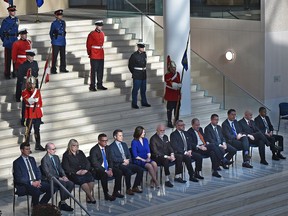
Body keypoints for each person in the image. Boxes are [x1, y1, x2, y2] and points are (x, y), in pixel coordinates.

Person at [13, 142, 52, 207]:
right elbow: (18, 178)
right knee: (36, 191)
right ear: (22, 150)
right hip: (25, 184)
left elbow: (37, 171)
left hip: (36, 182)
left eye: (29, 149)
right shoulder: (17, 162)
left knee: (51, 187)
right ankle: (35, 208)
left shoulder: (32, 159)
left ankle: (41, 204)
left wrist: (39, 180)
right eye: (26, 149)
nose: (29, 151)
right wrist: (31, 183)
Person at [89, 133, 124, 201]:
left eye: (106, 140)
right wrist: (106, 171)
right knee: (104, 174)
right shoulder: (94, 150)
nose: (105, 142)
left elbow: (110, 160)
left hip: (108, 167)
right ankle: (106, 194)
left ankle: (116, 192)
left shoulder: (108, 148)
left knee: (119, 172)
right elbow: (95, 163)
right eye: (103, 141)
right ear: (99, 141)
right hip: (99, 169)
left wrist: (110, 169)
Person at [41, 142, 74, 212]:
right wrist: (59, 178)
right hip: (51, 179)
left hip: (59, 177)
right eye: (53, 149)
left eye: (55, 149)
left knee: (71, 183)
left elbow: (60, 168)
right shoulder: (44, 160)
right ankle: (63, 203)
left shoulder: (56, 157)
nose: (55, 150)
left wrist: (64, 176)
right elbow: (48, 174)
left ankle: (62, 201)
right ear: (48, 150)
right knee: (63, 184)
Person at [110, 129, 144, 195]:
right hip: (119, 164)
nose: (122, 137)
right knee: (128, 172)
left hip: (127, 162)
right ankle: (128, 189)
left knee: (140, 170)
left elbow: (129, 155)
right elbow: (113, 158)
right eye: (120, 136)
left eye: (122, 135)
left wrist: (128, 161)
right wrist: (123, 161)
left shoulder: (124, 144)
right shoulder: (111, 147)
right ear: (115, 137)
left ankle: (135, 186)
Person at [62, 139, 95, 204]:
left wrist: (86, 170)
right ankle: (91, 197)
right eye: (74, 145)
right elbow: (66, 167)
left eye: (77, 146)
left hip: (84, 171)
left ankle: (88, 197)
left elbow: (87, 162)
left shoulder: (80, 152)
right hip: (74, 173)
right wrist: (76, 172)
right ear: (70, 146)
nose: (76, 147)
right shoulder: (66, 155)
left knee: (91, 180)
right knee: (83, 182)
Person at [21, 76, 45, 151]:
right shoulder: (24, 92)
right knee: (28, 130)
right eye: (30, 84)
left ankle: (38, 144)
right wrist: (34, 99)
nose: (32, 86)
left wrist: (40, 109)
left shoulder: (37, 91)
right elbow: (28, 101)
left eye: (33, 84)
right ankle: (27, 146)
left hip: (37, 113)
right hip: (30, 113)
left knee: (37, 130)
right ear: (27, 84)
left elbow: (40, 102)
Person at [17, 50, 39, 127]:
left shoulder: (35, 63)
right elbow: (20, 76)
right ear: (27, 56)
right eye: (31, 56)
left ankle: (36, 118)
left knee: (36, 103)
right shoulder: (23, 65)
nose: (32, 57)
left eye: (33, 56)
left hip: (34, 86)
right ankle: (24, 120)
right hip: (26, 87)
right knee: (25, 105)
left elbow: (36, 74)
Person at [86, 20, 107, 91]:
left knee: (100, 70)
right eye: (99, 26)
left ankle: (99, 84)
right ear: (96, 26)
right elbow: (88, 44)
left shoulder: (102, 33)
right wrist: (90, 53)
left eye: (101, 26)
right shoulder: (92, 34)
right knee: (93, 71)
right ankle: (92, 85)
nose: (100, 27)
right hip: (94, 54)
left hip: (101, 53)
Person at [128, 42, 151, 109]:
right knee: (135, 90)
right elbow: (130, 66)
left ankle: (144, 102)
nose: (143, 48)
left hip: (143, 74)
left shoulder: (144, 54)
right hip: (137, 75)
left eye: (143, 47)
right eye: (142, 47)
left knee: (143, 90)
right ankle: (134, 103)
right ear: (138, 47)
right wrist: (134, 73)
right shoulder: (134, 55)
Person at [0, 5, 19, 79]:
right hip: (8, 41)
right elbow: (1, 33)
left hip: (15, 41)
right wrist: (5, 40)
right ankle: (7, 73)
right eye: (12, 11)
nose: (13, 12)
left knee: (15, 58)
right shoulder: (5, 21)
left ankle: (15, 72)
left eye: (14, 11)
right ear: (9, 12)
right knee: (8, 59)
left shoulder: (17, 20)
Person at [164, 56, 181, 128]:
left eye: (175, 67)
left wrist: (179, 85)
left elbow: (179, 81)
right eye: (172, 68)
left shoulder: (178, 74)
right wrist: (177, 85)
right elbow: (170, 83)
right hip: (170, 95)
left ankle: (176, 121)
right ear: (169, 68)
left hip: (177, 95)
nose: (174, 69)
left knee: (177, 109)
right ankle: (169, 121)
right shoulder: (167, 75)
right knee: (169, 110)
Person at [49, 9, 68, 74]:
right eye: (59, 15)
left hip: (62, 40)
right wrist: (53, 39)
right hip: (56, 41)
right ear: (56, 16)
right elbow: (51, 33)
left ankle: (63, 67)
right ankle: (53, 69)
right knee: (55, 56)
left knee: (63, 55)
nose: (60, 16)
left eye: (61, 15)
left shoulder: (63, 22)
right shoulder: (54, 23)